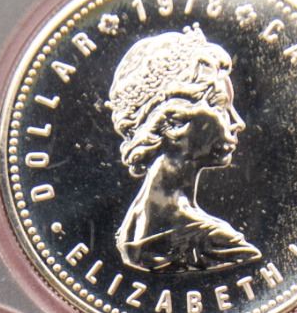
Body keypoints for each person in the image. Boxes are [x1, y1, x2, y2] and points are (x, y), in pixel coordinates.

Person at [106, 24, 261, 273]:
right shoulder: (215, 242)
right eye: (221, 107)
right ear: (174, 123)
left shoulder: (131, 229)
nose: (238, 122)